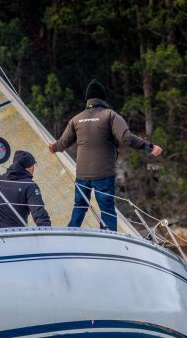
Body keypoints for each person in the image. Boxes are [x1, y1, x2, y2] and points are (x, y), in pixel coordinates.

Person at [48, 80, 163, 231]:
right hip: (103, 173)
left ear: (88, 99)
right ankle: (109, 239)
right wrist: (150, 147)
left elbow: (63, 142)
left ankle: (70, 233)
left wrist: (53, 147)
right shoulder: (110, 115)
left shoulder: (76, 119)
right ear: (103, 98)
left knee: (79, 206)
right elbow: (126, 138)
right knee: (106, 209)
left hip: (82, 174)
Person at [0, 150, 51, 230]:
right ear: (29, 168)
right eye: (34, 165)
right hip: (4, 233)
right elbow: (39, 213)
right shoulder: (30, 186)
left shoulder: (2, 178)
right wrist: (48, 234)